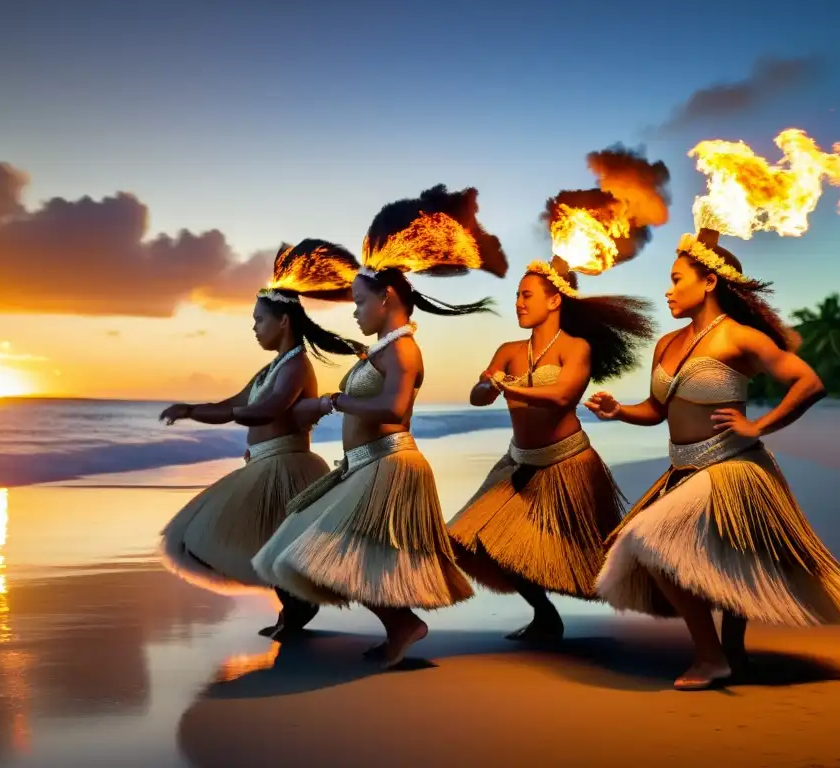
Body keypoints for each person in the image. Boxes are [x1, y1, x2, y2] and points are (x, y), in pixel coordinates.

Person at [588, 228, 840, 690]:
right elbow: (657, 410)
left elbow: (809, 383)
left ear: (708, 283)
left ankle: (712, 656)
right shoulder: (666, 344)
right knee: (713, 560)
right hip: (681, 468)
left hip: (732, 466)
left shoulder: (741, 338)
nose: (668, 288)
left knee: (650, 539)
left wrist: (758, 427)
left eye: (676, 277)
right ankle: (727, 652)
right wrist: (619, 410)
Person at [252, 184, 508, 668]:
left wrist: (334, 400)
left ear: (386, 298)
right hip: (364, 465)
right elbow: (378, 384)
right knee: (332, 551)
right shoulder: (388, 348)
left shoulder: (405, 351)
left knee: (341, 555)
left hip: (390, 463)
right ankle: (401, 625)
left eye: (359, 301)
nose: (354, 311)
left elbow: (392, 408)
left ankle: (403, 625)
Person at [159, 239, 364, 639]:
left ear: (282, 322)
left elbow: (267, 409)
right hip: (264, 465)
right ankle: (294, 612)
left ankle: (297, 611)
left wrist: (238, 414)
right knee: (258, 544)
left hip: (286, 468)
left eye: (259, 320)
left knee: (275, 547)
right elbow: (232, 403)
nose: (254, 327)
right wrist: (191, 410)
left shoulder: (295, 368)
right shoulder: (272, 368)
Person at [448, 254, 655, 641]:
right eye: (516, 295)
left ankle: (653, 591)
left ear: (555, 300)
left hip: (567, 464)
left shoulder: (575, 348)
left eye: (527, 295)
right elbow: (478, 396)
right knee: (482, 538)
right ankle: (544, 614)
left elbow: (562, 395)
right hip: (518, 463)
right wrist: (489, 384)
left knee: (586, 554)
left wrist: (512, 386)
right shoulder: (509, 349)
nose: (518, 303)